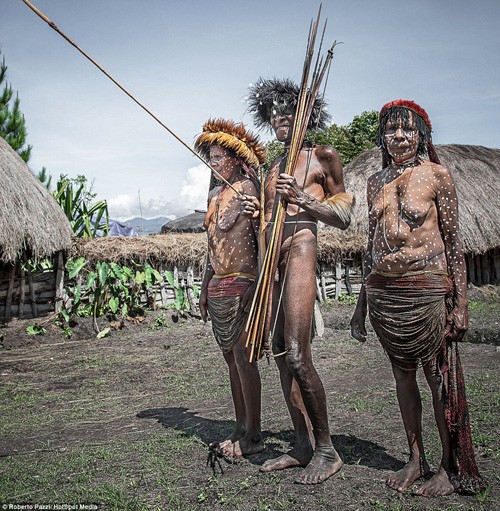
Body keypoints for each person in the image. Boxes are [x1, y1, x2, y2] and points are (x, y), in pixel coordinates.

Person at [350, 100, 486, 496]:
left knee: (436, 375)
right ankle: (415, 459)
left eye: (407, 130)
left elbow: (454, 245)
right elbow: (370, 248)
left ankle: (448, 465)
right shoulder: (376, 182)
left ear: (422, 135)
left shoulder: (438, 176)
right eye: (391, 130)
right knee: (402, 375)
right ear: (383, 137)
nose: (399, 137)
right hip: (385, 295)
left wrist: (460, 303)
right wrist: (361, 307)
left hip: (427, 288)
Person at [247, 78, 354, 484]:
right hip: (272, 262)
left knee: (295, 351)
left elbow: (343, 216)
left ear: (308, 115)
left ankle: (327, 450)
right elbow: (268, 222)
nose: (280, 117)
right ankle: (302, 444)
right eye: (274, 113)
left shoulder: (322, 157)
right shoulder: (272, 168)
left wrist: (305, 199)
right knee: (277, 350)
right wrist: (257, 208)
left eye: (289, 111)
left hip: (301, 249)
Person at [196, 118, 267, 458]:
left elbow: (262, 241)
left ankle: (253, 432)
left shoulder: (250, 190)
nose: (214, 163)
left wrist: (260, 285)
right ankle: (240, 426)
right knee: (230, 359)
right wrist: (204, 287)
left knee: (244, 357)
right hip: (219, 285)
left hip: (244, 283)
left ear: (237, 160)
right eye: (210, 157)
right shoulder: (214, 194)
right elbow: (212, 247)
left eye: (220, 157)